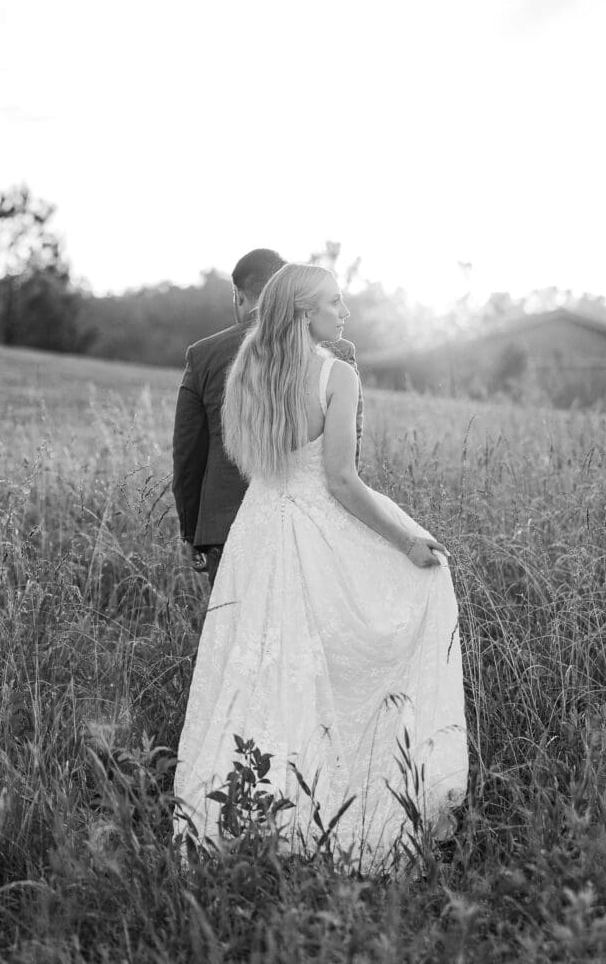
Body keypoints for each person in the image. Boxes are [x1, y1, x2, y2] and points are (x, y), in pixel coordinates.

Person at [173, 263, 468, 874]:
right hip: (314, 533)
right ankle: (328, 806)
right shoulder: (337, 375)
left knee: (256, 669)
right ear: (306, 312)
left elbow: (251, 463)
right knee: (340, 652)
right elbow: (340, 480)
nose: (345, 312)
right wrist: (406, 540)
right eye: (335, 302)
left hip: (256, 531)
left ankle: (247, 813)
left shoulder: (247, 368)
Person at [172, 248, 363, 588]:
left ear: (239, 295)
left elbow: (188, 455)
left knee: (236, 621)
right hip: (313, 525)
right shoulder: (336, 350)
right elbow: (350, 447)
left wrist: (191, 532)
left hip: (225, 527)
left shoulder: (203, 355)